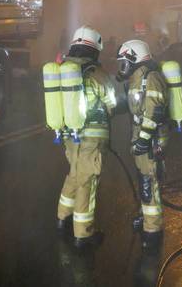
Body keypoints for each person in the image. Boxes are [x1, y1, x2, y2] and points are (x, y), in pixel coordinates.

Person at [56, 25, 117, 248]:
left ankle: (62, 220)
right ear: (95, 50)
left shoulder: (64, 69)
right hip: (91, 139)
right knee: (87, 183)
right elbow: (112, 103)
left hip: (69, 136)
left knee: (74, 175)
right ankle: (83, 235)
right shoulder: (96, 73)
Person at [116, 39, 169, 250]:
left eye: (124, 62)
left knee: (149, 183)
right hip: (141, 138)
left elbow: (153, 113)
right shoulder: (137, 79)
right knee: (143, 180)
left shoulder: (151, 78)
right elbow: (132, 106)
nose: (122, 67)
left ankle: (153, 232)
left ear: (135, 59)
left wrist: (144, 140)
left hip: (150, 140)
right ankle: (146, 218)